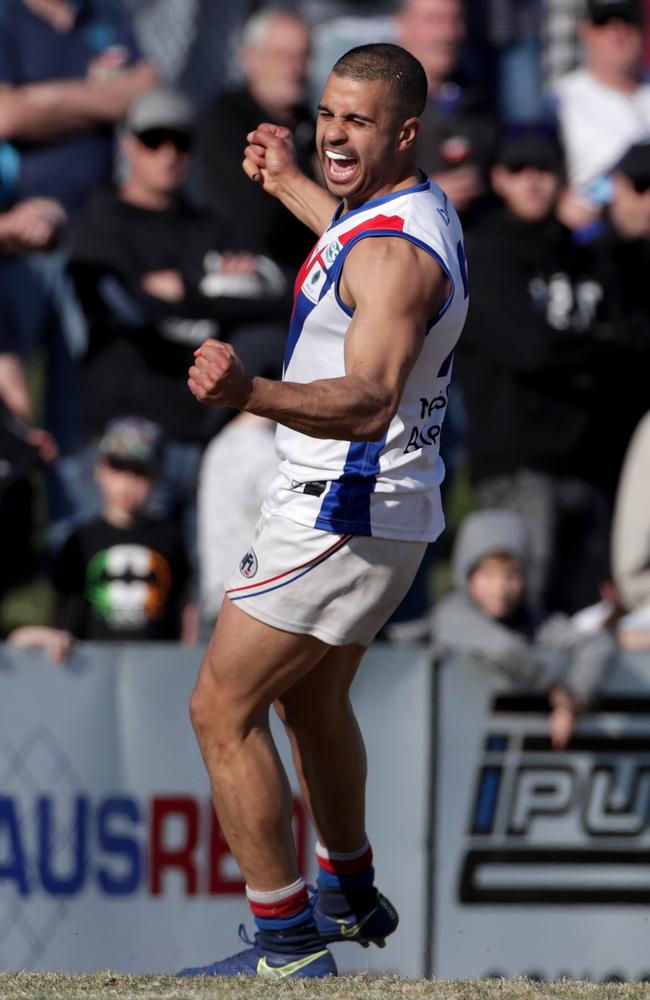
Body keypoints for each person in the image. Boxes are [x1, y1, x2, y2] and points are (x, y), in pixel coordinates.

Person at [178, 42, 468, 979]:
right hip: (385, 507)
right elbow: (352, 247)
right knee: (313, 699)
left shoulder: (392, 252)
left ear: (407, 132)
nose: (335, 134)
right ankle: (346, 886)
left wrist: (247, 394)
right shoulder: (400, 214)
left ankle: (288, 945)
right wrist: (293, 183)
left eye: (358, 123)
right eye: (328, 114)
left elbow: (370, 394)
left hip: (338, 507)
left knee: (221, 710)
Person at [69, 85, 290, 575]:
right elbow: (128, 309)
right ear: (128, 145)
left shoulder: (210, 224)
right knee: (122, 591)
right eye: (154, 140)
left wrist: (184, 286)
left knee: (211, 589)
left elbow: (279, 298)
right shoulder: (102, 222)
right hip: (126, 443)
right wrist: (217, 290)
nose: (168, 154)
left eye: (180, 142)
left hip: (207, 435)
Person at [455, 131, 610, 615]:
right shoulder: (486, 253)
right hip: (515, 460)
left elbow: (627, 341)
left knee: (586, 615)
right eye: (518, 171)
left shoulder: (586, 255)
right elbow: (526, 349)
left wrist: (580, 357)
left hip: (586, 461)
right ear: (499, 179)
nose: (532, 183)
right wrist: (593, 355)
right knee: (518, 606)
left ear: (561, 178)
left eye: (543, 171)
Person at [431, 509, 615, 750]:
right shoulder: (451, 614)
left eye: (512, 574)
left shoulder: (532, 621)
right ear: (465, 573)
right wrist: (552, 688)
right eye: (488, 573)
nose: (501, 587)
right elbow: (503, 649)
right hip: (459, 750)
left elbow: (597, 643)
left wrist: (572, 703)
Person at [48, 416, 196, 643]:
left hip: (158, 664)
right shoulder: (80, 540)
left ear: (158, 476)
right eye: (118, 468)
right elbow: (63, 611)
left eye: (139, 473)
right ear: (100, 470)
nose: (127, 483)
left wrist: (189, 652)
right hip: (92, 665)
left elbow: (186, 605)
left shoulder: (171, 538)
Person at [196, 8, 316, 274]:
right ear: (251, 59)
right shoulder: (227, 120)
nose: (295, 68)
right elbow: (252, 219)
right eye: (283, 56)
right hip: (252, 269)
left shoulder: (312, 123)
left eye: (303, 55)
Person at [553, 0, 650, 228]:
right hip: (595, 231)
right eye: (604, 22)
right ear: (585, 31)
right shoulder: (562, 99)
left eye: (628, 21)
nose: (618, 33)